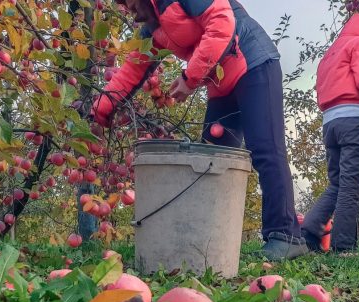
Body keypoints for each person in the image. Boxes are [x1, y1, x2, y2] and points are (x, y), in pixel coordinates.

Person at [92, 0, 308, 260]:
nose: (127, 8)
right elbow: (130, 71)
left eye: (127, 1)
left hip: (254, 63)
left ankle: (286, 235)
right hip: (220, 82)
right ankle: (210, 240)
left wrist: (189, 78)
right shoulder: (152, 30)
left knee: (265, 149)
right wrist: (100, 111)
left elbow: (221, 24)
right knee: (210, 161)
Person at [300, 13, 359, 253]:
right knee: (350, 185)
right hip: (352, 122)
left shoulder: (331, 53)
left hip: (330, 122)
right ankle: (343, 247)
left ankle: (309, 232)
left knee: (337, 183)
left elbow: (340, 89)